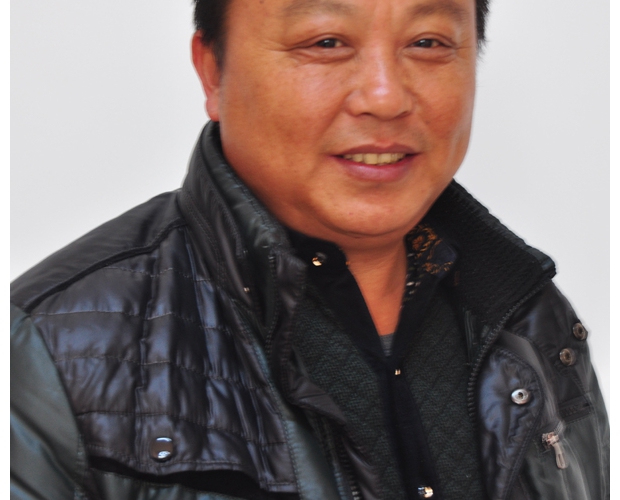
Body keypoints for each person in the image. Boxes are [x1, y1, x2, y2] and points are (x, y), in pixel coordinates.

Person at [10, 0, 609, 499]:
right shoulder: (50, 350)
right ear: (212, 70)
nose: (385, 97)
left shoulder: (530, 318)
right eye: (326, 42)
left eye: (427, 42)